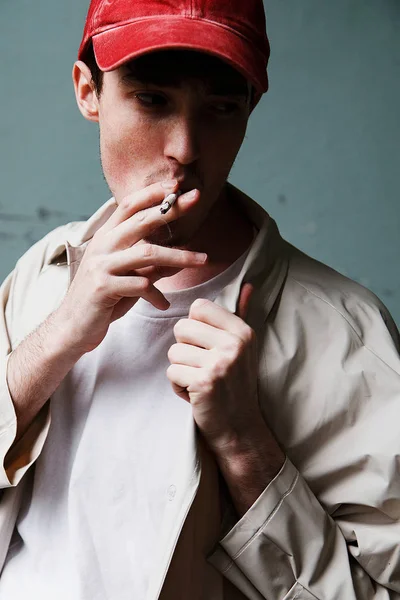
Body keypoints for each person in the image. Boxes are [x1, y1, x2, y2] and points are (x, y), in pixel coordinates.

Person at [0, 0, 399, 597]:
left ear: (250, 112)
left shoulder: (347, 335)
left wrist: (245, 444)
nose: (185, 149)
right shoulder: (43, 271)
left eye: (220, 109)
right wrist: (58, 335)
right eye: (153, 100)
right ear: (89, 91)